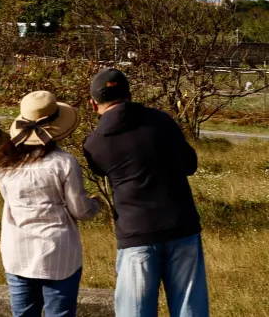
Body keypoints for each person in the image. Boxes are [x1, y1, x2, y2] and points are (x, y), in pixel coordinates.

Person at [82, 68, 209, 317]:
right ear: (130, 94)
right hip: (181, 225)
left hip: (136, 232)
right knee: (190, 309)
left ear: (92, 103)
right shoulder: (162, 120)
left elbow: (100, 171)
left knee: (136, 311)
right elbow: (189, 164)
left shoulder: (95, 142)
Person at [0, 90, 100, 317]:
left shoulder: (5, 167)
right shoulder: (64, 163)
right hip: (58, 254)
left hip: (17, 253)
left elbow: (9, 202)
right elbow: (80, 210)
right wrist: (95, 204)